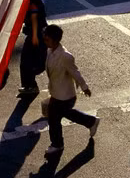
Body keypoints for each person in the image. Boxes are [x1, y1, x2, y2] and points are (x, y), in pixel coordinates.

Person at [42, 24, 98, 156]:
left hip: (65, 96)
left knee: (54, 119)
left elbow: (75, 72)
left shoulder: (65, 56)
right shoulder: (50, 51)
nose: (44, 41)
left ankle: (57, 144)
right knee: (65, 114)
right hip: (57, 93)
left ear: (55, 40)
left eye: (47, 39)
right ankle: (91, 121)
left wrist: (85, 87)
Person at [17, 0, 47, 97]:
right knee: (29, 60)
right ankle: (29, 85)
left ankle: (30, 86)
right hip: (37, 32)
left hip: (36, 33)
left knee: (27, 60)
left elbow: (34, 16)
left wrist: (34, 36)